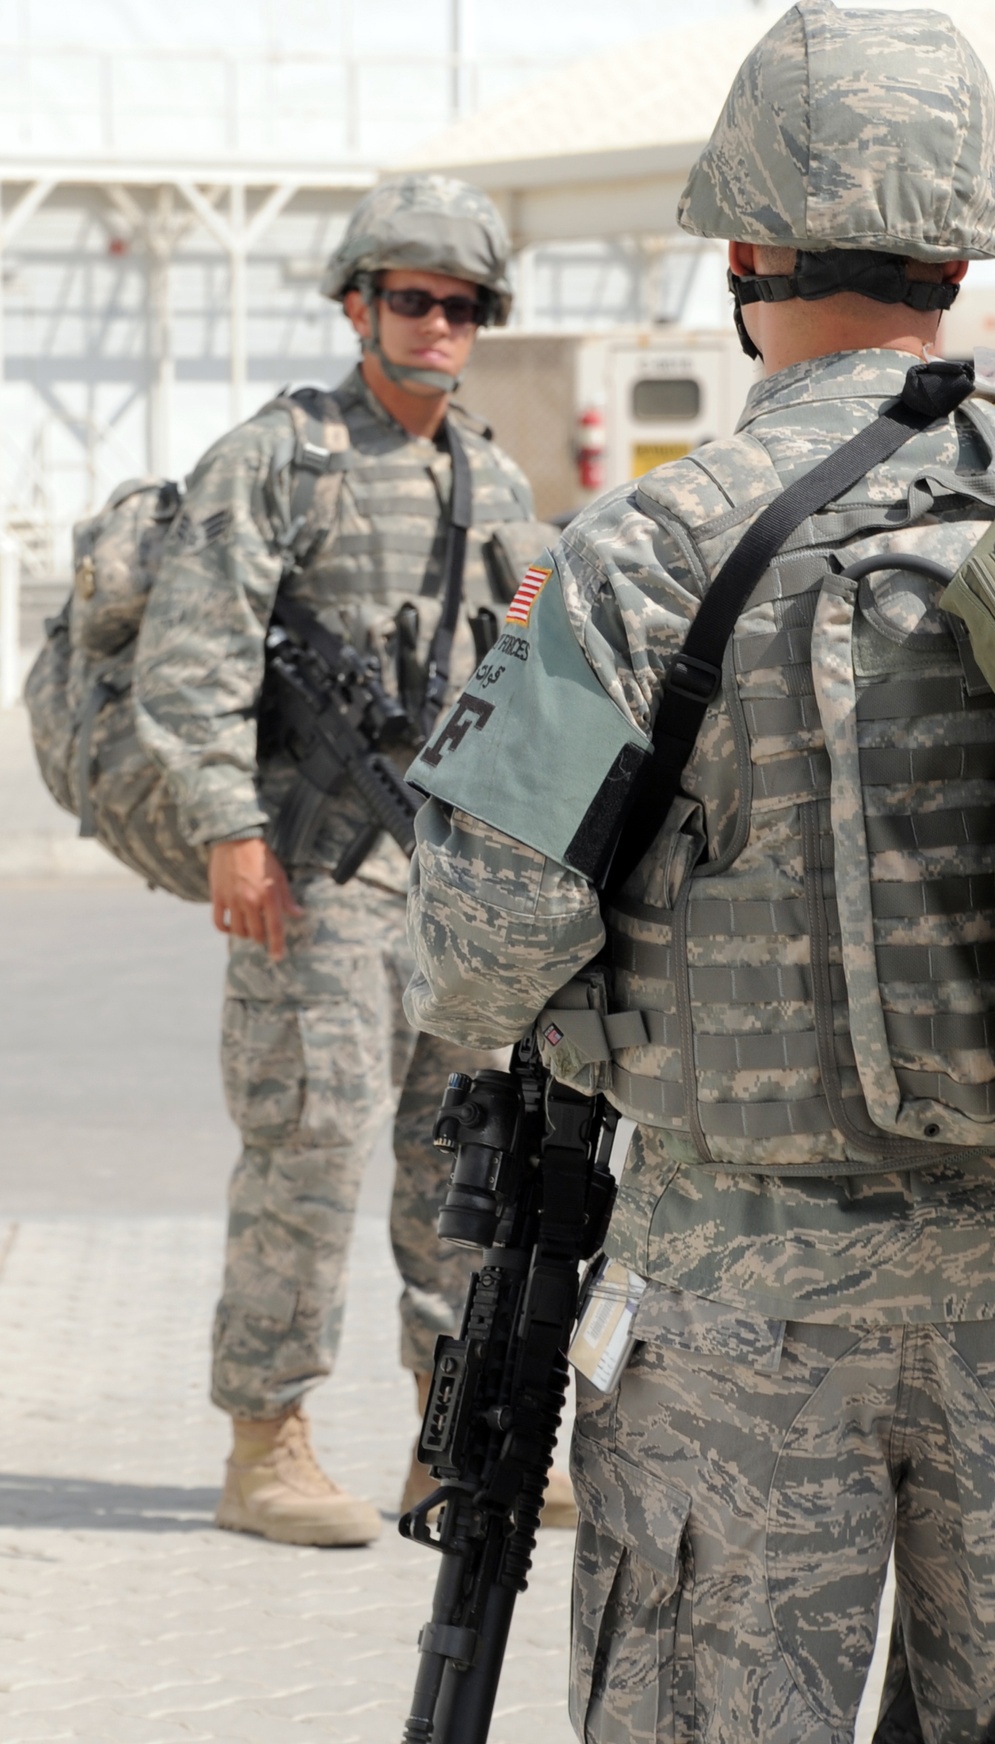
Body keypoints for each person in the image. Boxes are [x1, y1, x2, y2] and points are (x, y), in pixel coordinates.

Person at [402, 3, 995, 1736]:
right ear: (955, 247)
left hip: (745, 1312)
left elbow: (480, 945)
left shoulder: (645, 546)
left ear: (742, 245)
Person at [133, 172, 575, 1548]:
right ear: (356, 301)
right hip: (309, 876)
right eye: (413, 298)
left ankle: (448, 1450)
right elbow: (192, 657)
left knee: (461, 1168)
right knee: (308, 1152)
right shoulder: (280, 458)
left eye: (464, 304)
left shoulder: (491, 479)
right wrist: (228, 830)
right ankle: (266, 1446)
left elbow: (527, 672)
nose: (440, 323)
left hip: (447, 888)